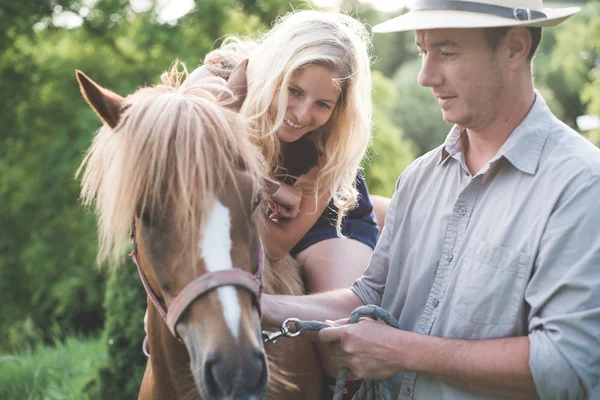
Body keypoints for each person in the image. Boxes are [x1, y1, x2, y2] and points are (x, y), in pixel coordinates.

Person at [261, 1, 600, 399]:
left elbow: (566, 365)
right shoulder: (420, 178)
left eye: (448, 52)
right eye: (423, 51)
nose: (425, 75)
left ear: (515, 47)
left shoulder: (581, 185)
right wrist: (254, 305)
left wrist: (401, 351)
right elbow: (367, 298)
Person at [159, 10, 384, 396]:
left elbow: (278, 245)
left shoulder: (331, 147)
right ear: (274, 71)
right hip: (245, 200)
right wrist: (268, 188)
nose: (301, 114)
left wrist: (238, 186)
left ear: (338, 109)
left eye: (322, 104)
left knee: (343, 338)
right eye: (294, 91)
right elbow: (187, 172)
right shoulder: (220, 80)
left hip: (328, 220)